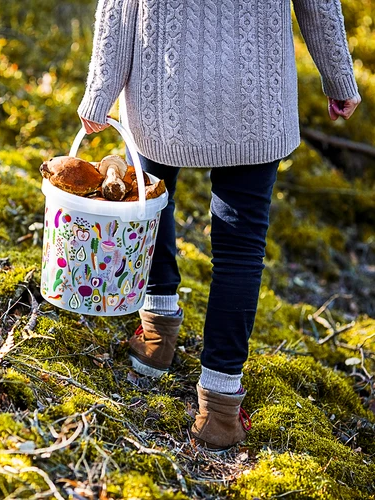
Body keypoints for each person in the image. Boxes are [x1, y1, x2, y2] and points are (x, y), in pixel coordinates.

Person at [77, 0, 361, 451]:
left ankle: (156, 334)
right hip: (254, 92)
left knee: (152, 204)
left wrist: (100, 88)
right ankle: (220, 406)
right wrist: (338, 76)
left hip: (161, 82)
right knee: (240, 248)